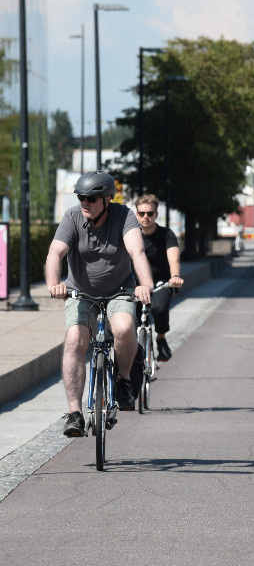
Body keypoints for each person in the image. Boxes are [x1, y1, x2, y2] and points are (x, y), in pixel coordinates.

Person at [45, 170, 154, 437]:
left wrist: (145, 284)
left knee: (125, 328)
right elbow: (55, 252)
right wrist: (53, 283)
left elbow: (136, 251)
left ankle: (124, 379)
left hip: (119, 290)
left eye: (91, 198)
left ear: (107, 200)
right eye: (81, 197)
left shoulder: (124, 215)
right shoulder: (72, 217)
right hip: (81, 293)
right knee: (74, 340)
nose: (85, 203)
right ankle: (74, 413)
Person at [134, 194, 184, 362]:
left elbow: (174, 258)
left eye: (150, 213)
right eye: (141, 213)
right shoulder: (131, 236)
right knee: (127, 319)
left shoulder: (166, 235)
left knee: (160, 308)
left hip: (160, 283)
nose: (146, 217)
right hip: (135, 285)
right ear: (137, 214)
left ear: (156, 214)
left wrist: (175, 276)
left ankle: (161, 338)